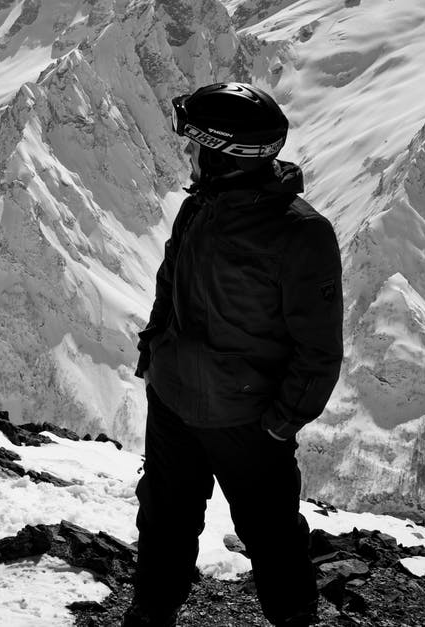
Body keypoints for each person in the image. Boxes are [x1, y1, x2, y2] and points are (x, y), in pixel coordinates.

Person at [127, 82, 344, 627]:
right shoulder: (199, 209)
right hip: (175, 403)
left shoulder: (302, 235)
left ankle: (294, 619)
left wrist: (279, 425)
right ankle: (151, 614)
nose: (190, 157)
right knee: (163, 521)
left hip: (248, 420)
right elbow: (169, 281)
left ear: (225, 155)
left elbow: (319, 350)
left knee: (270, 534)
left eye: (196, 146)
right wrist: (154, 353)